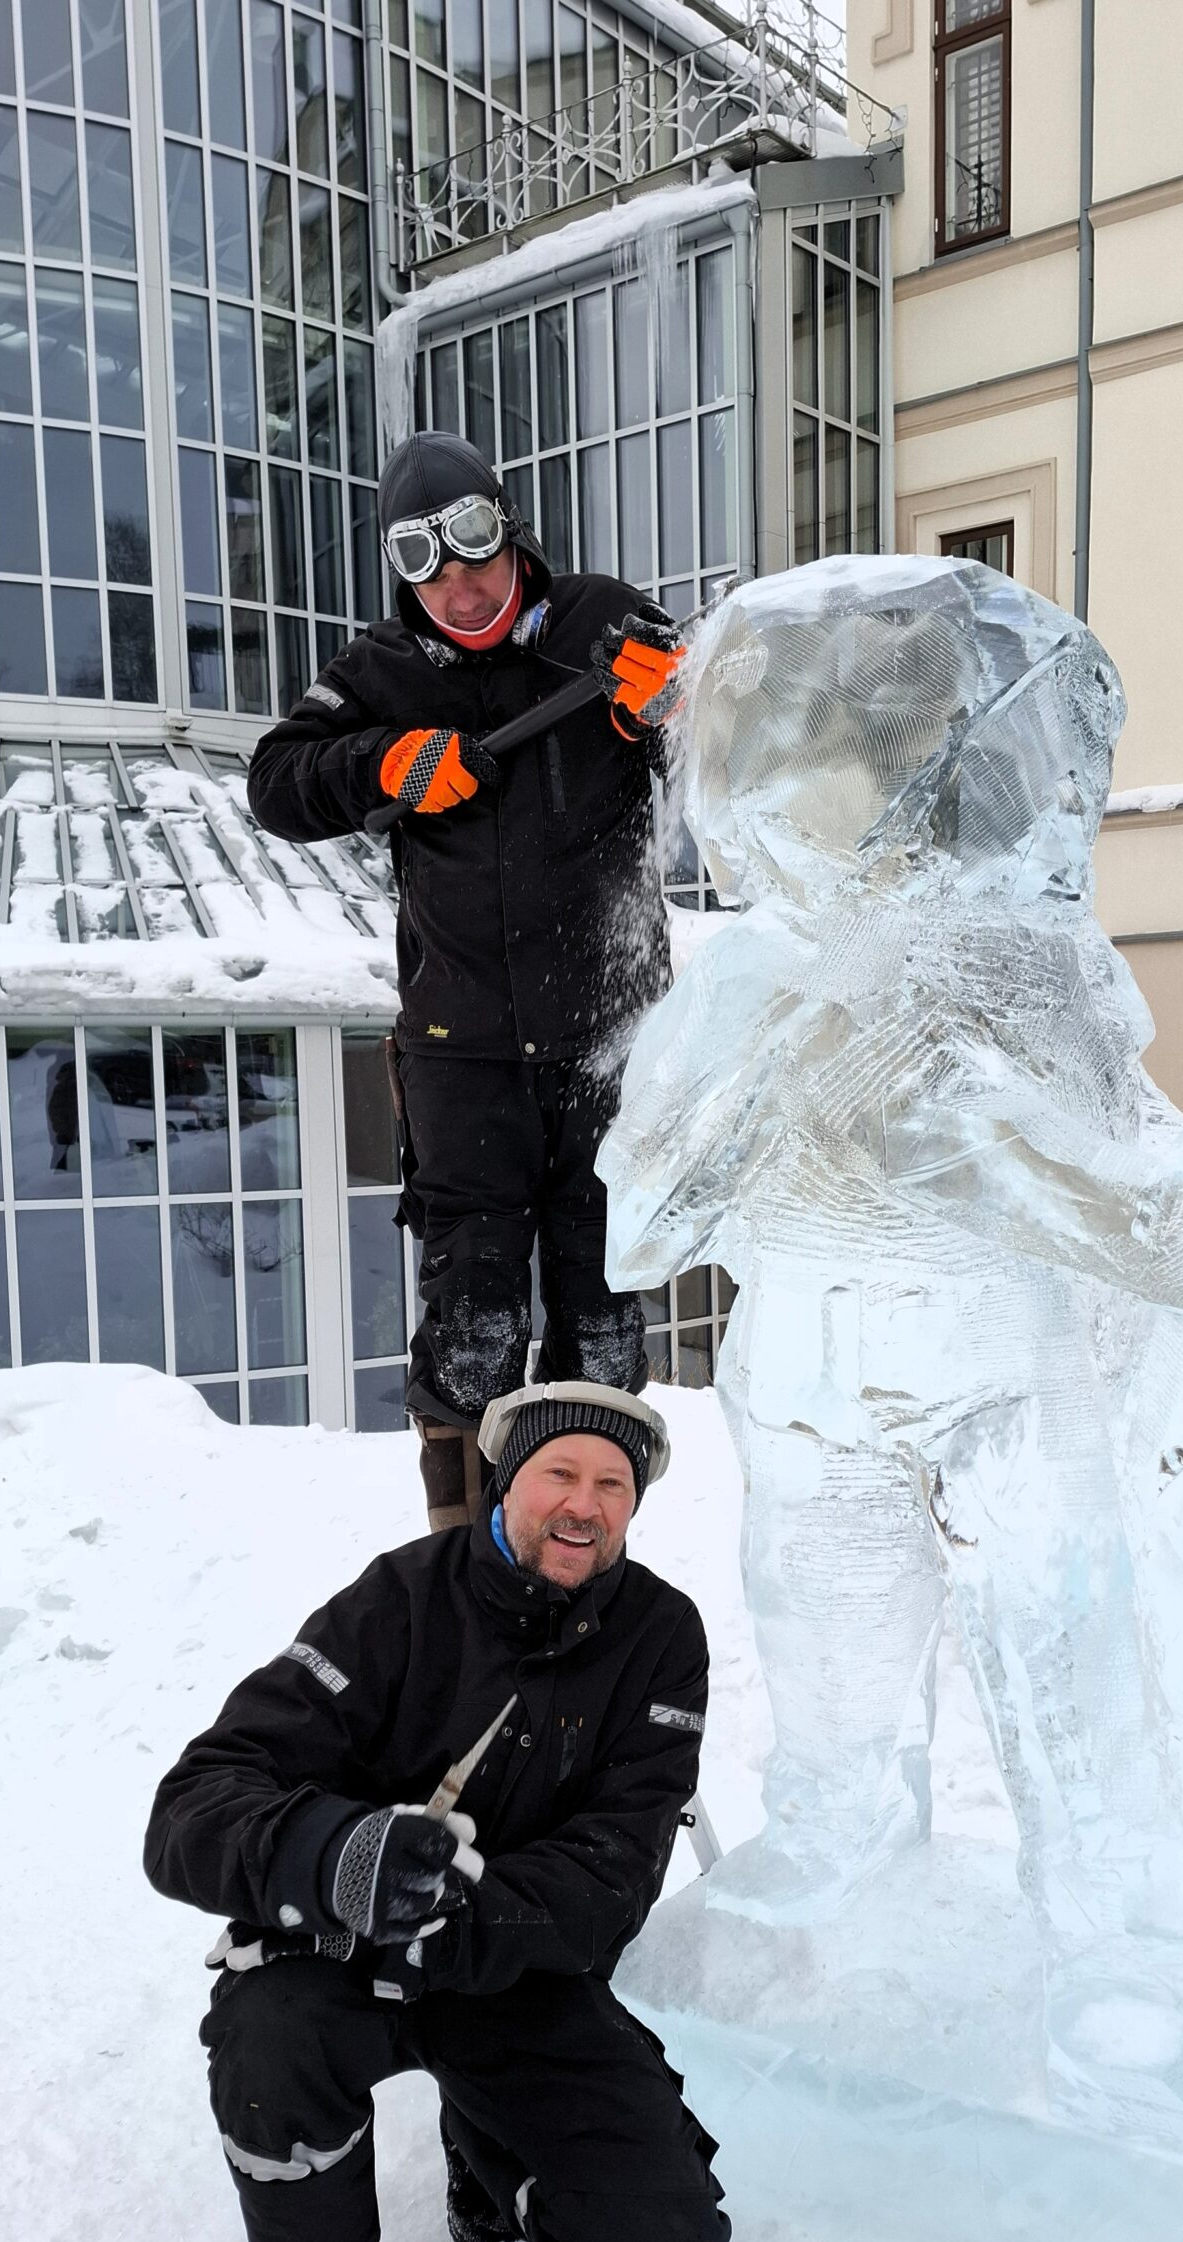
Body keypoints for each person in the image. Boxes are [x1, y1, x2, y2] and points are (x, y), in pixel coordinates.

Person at [144, 1378, 728, 2242]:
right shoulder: (398, 1604)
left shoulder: (661, 1638)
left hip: (514, 1965)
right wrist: (339, 1857)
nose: (585, 1504)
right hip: (338, 1954)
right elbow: (193, 1808)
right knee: (269, 2040)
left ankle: (488, 2149)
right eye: (561, 1472)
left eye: (613, 1485)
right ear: (508, 1482)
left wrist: (474, 1916)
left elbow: (619, 1863)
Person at [247, 431, 687, 1531]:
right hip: (460, 1056)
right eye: (426, 561)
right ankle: (466, 1566)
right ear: (400, 573)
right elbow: (276, 780)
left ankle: (587, 1558)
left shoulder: (603, 622)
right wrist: (384, 762)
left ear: (511, 530)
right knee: (471, 1323)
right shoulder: (377, 676)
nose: (461, 581)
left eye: (477, 545)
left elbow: (725, 736)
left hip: (610, 1046)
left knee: (600, 1318)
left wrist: (672, 707)